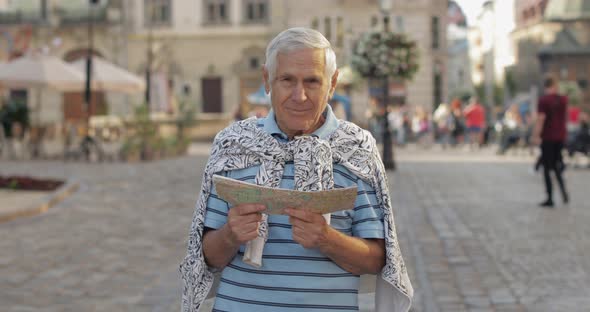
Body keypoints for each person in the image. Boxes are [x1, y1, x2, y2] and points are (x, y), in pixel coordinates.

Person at [180, 27, 413, 312]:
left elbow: (378, 259)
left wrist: (327, 240)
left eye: (312, 81)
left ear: (333, 83)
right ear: (267, 80)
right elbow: (206, 256)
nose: (299, 96)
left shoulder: (356, 150)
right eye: (287, 80)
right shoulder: (233, 146)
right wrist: (231, 234)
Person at [532, 76, 569, 207]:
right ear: (555, 85)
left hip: (548, 137)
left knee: (547, 168)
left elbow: (541, 119)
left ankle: (550, 197)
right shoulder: (563, 99)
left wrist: (536, 135)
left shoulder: (544, 100)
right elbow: (565, 117)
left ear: (546, 86)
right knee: (557, 164)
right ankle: (564, 192)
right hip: (560, 136)